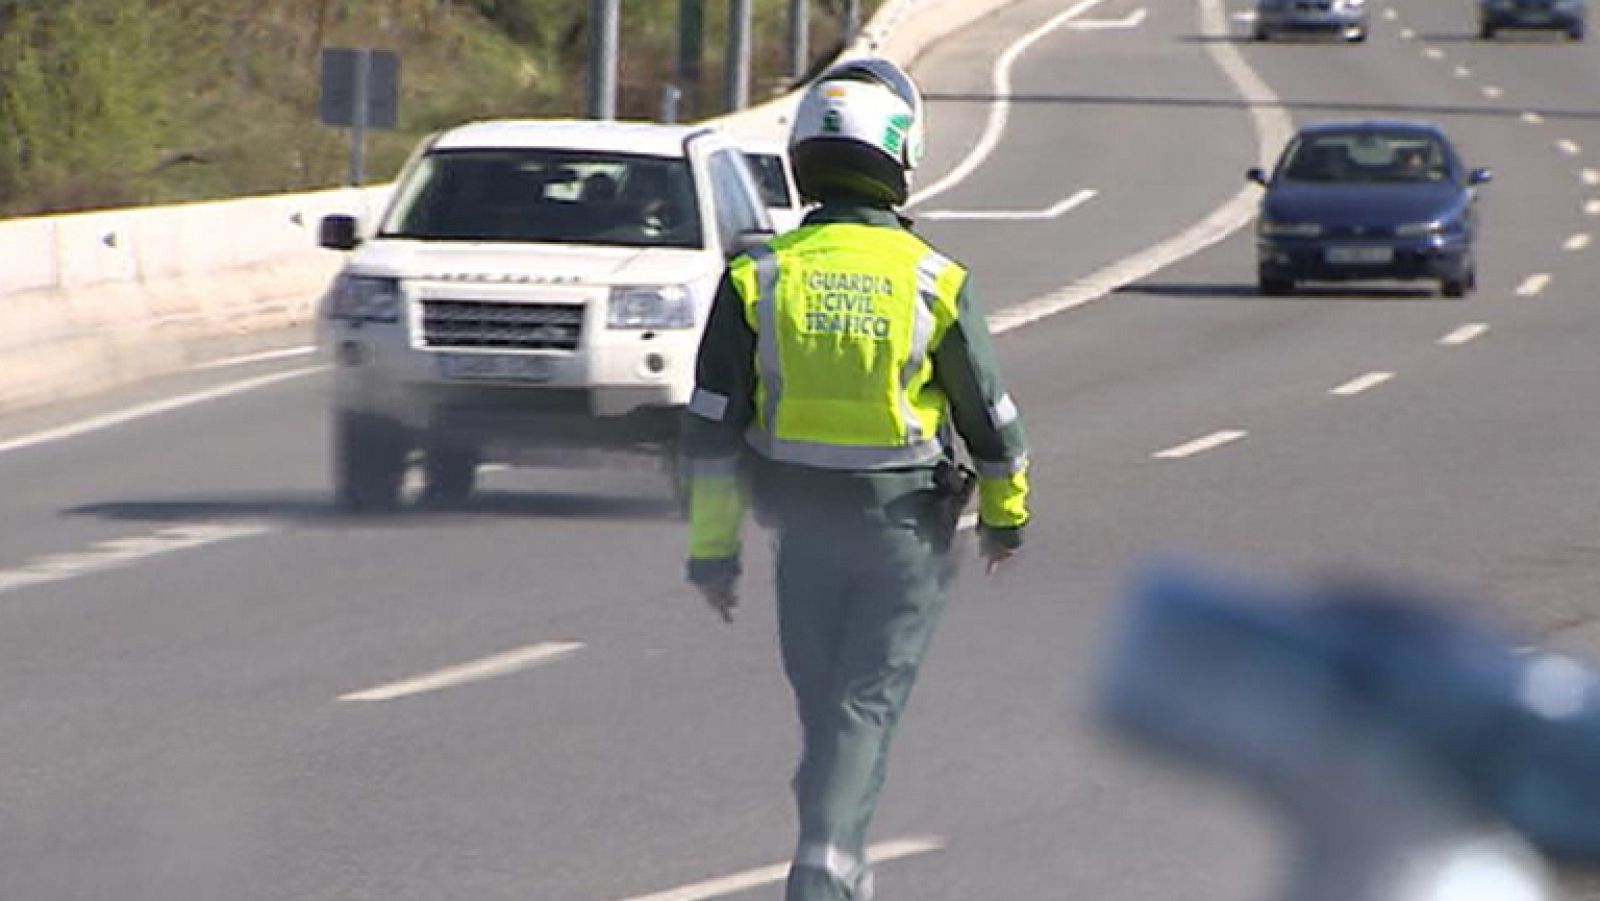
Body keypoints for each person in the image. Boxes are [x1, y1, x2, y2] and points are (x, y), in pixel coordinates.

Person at [681, 58, 1031, 900]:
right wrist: (1008, 516)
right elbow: (990, 417)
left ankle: (839, 860)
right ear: (899, 155)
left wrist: (713, 553)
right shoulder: (933, 280)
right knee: (861, 709)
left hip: (802, 531)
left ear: (804, 156)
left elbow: (710, 432)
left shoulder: (756, 277)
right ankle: (827, 863)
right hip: (903, 533)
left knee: (827, 707)